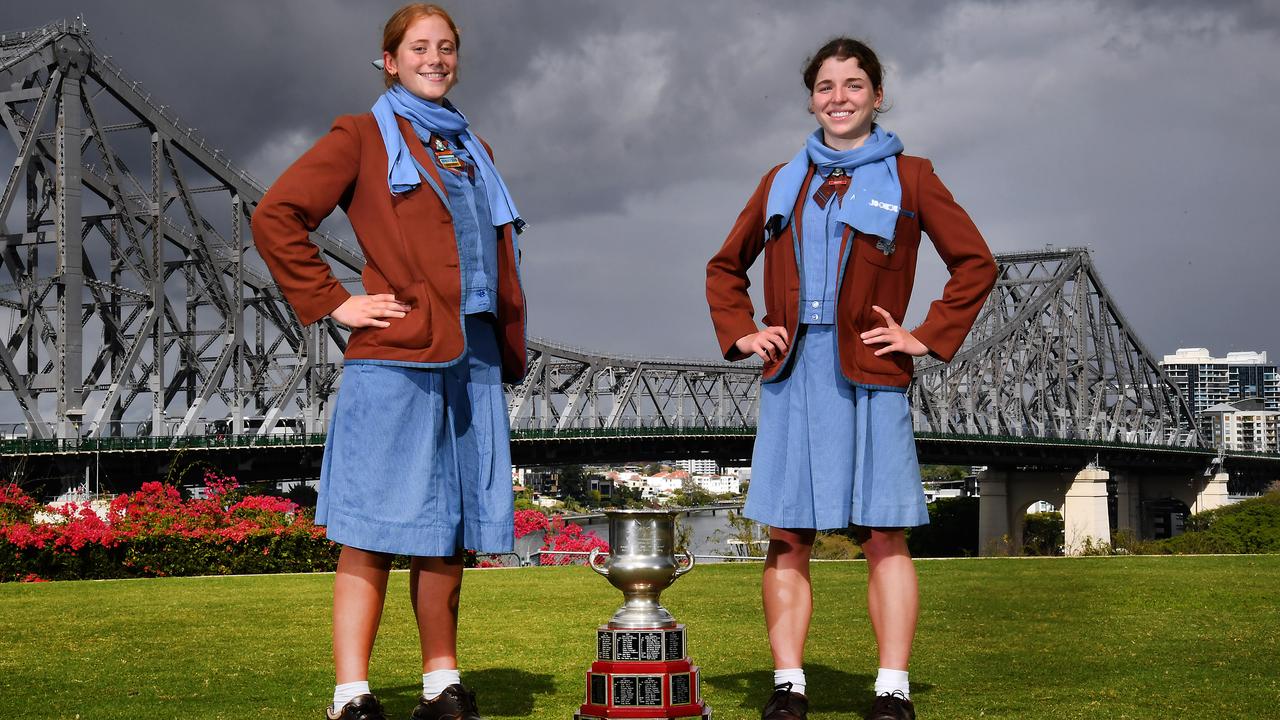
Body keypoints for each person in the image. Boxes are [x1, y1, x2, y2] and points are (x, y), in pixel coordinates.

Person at [705, 37, 996, 720]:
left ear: (878, 95)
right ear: (811, 98)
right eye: (826, 86)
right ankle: (789, 687)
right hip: (793, 375)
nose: (839, 98)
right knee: (786, 538)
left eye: (854, 85)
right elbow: (725, 267)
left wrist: (923, 335)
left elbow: (975, 263)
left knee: (885, 535)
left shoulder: (914, 177)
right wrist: (743, 331)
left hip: (870, 372)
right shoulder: (781, 180)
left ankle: (891, 691)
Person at [251, 4, 527, 719]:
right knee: (371, 533)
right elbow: (276, 214)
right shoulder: (362, 136)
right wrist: (334, 301)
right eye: (419, 48)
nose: (434, 58)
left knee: (448, 536)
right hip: (396, 360)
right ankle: (352, 695)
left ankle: (442, 685)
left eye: (446, 48)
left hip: (471, 356)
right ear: (389, 59)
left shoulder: (472, 149)